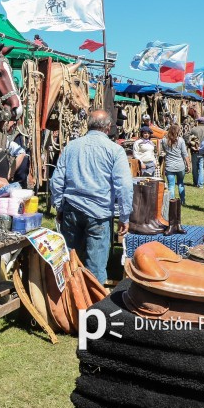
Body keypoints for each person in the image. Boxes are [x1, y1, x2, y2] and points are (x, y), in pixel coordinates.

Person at [49, 110, 133, 283]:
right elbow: (124, 186)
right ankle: (92, 306)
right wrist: (124, 217)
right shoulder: (115, 150)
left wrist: (59, 206)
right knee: (95, 268)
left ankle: (68, 301)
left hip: (72, 210)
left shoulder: (72, 146)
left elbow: (56, 180)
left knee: (70, 263)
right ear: (108, 127)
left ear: (88, 125)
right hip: (98, 214)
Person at [160, 124, 190, 205]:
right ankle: (182, 201)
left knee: (171, 185)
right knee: (180, 183)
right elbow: (185, 154)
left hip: (170, 166)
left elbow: (162, 150)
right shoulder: (180, 140)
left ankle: (172, 202)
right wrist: (188, 165)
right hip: (180, 166)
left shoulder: (164, 140)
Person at [189, 117, 204, 187]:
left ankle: (195, 182)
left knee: (195, 168)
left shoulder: (194, 129)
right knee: (201, 167)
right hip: (203, 151)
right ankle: (200, 184)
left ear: (198, 122)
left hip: (194, 150)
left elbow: (189, 138)